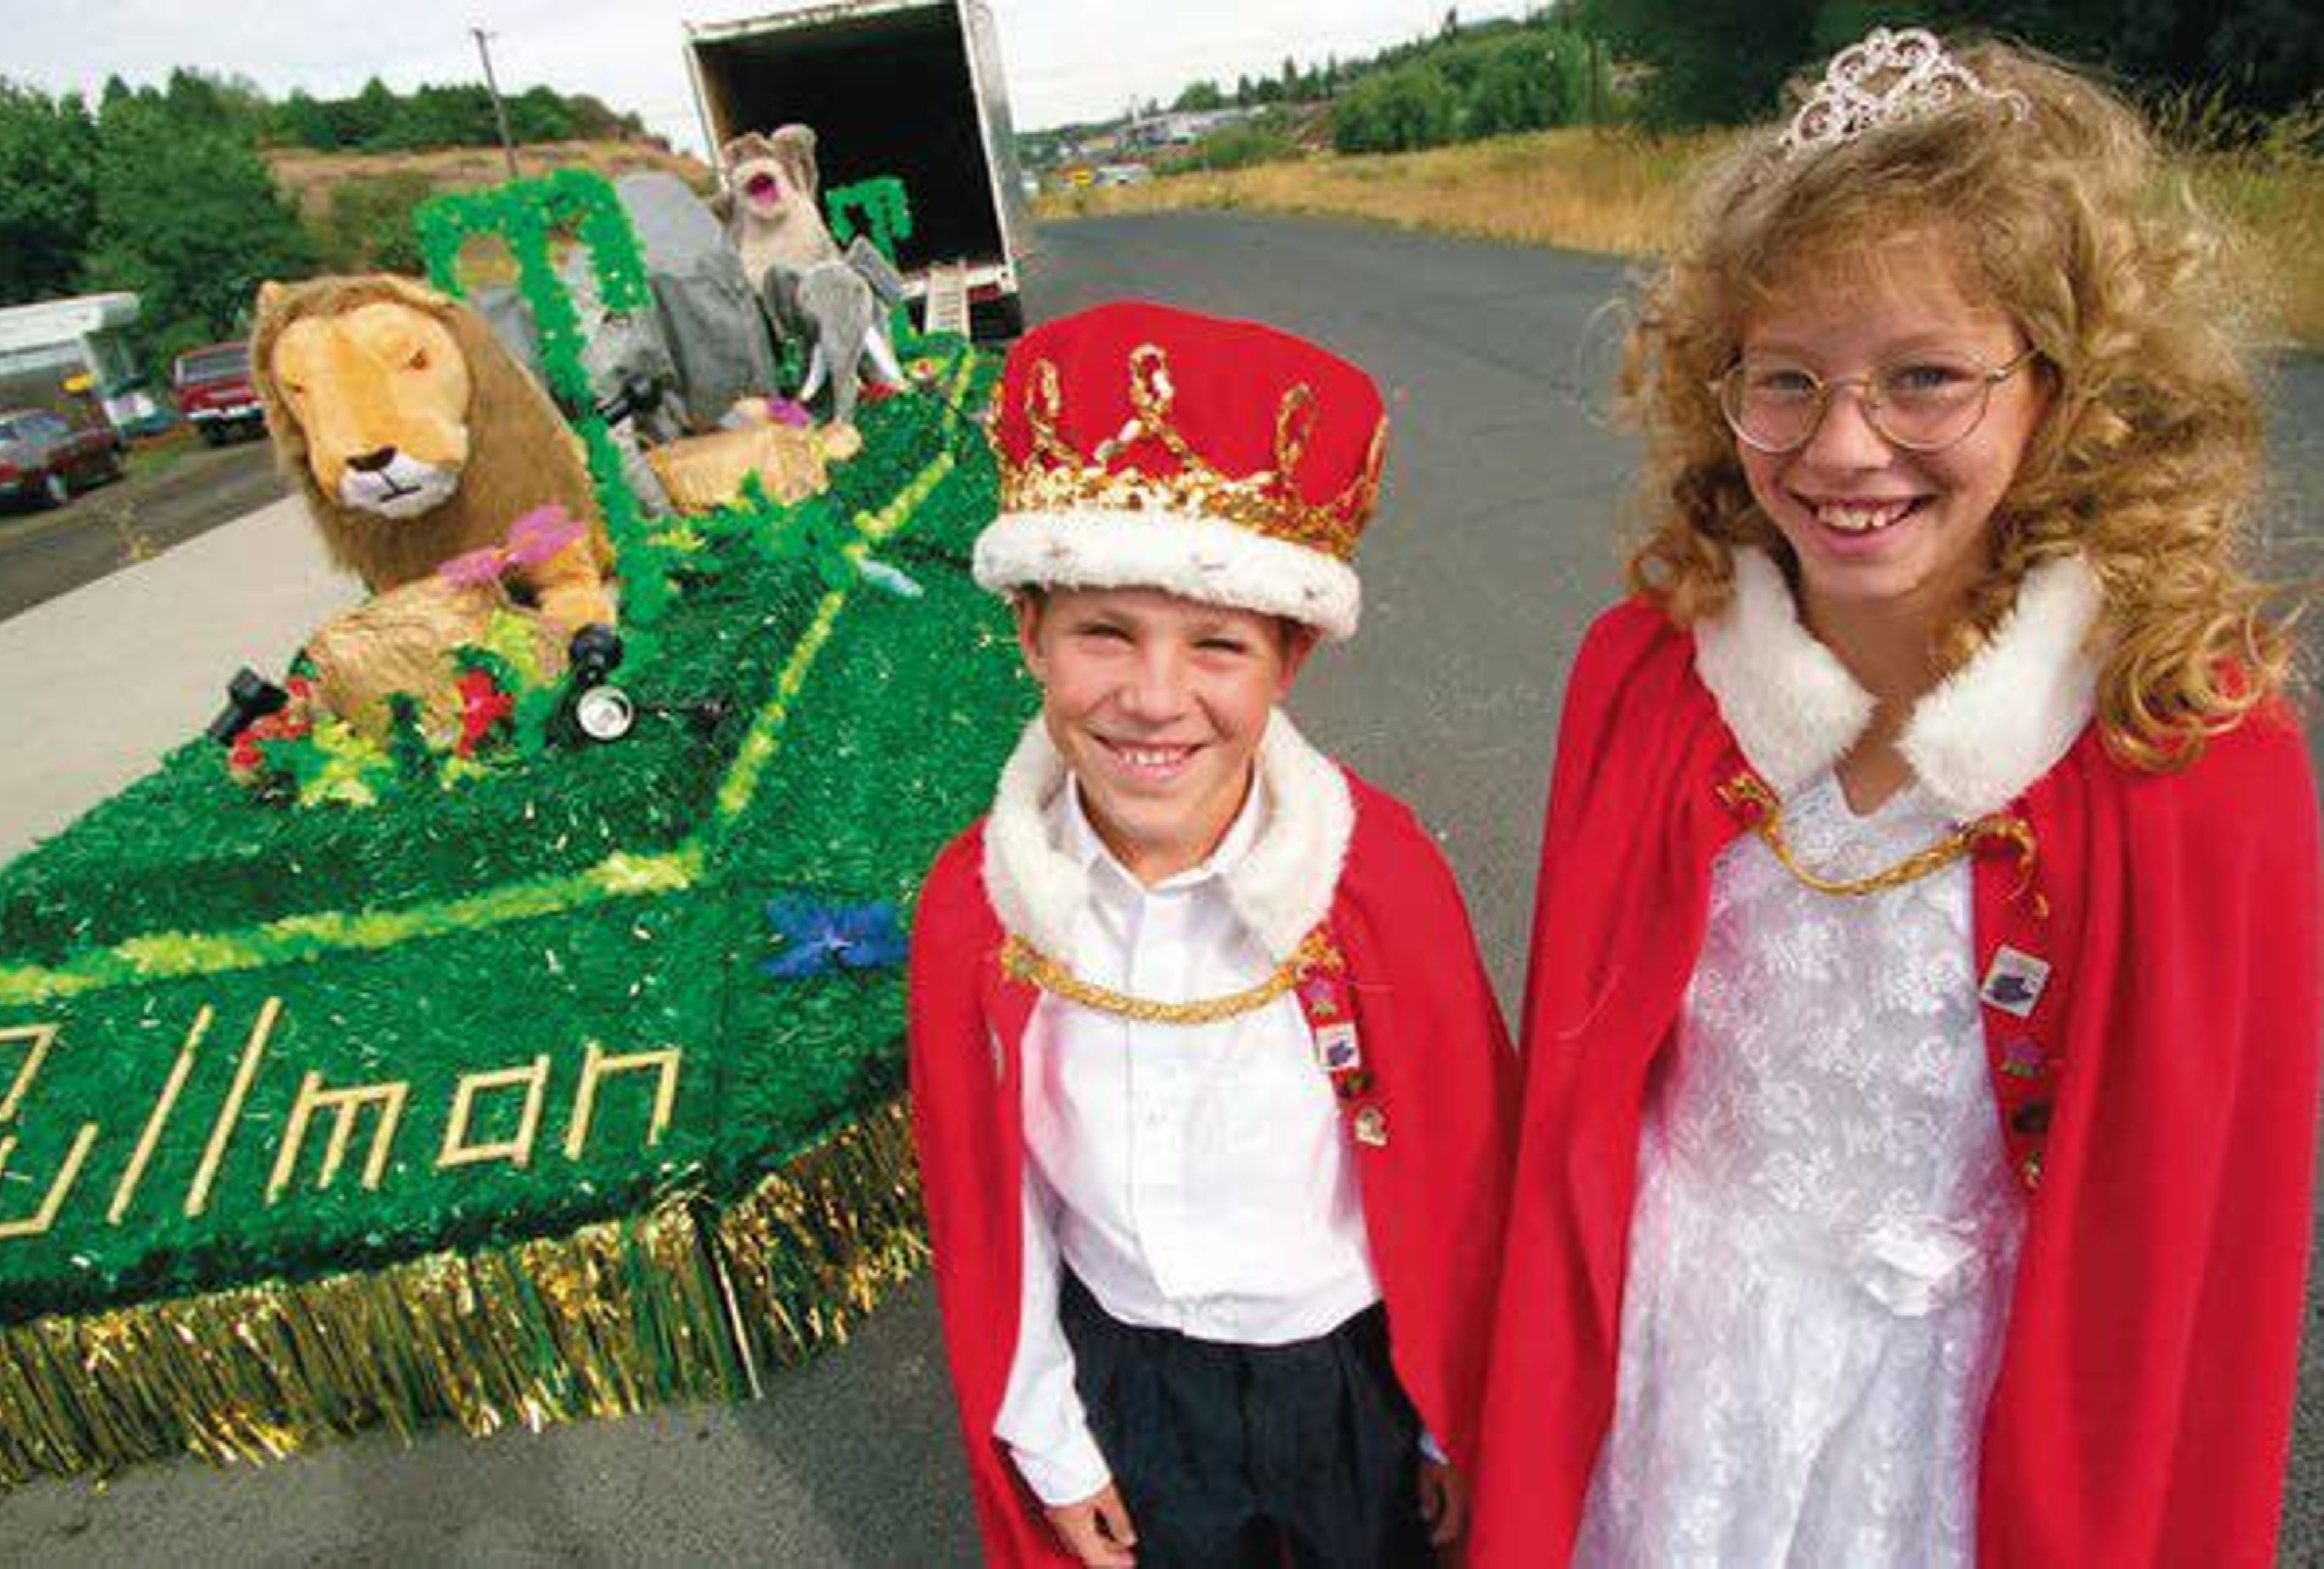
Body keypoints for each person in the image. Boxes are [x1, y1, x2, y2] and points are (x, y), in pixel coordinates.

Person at [1469, 28, 2320, 1569]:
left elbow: (2209, 1243)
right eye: (1784, 380)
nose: (1843, 446)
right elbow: (1577, 1106)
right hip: (1674, 1359)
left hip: (1955, 1419)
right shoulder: (1651, 679)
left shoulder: (2183, 749)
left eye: (1927, 377)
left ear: (2063, 387)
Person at [909, 301, 1515, 1568]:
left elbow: (1462, 1168)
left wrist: (1456, 1414)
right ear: (1028, 631)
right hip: (1130, 1379)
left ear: (1288, 656)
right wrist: (1050, 1432)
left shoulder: (1374, 876)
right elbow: (995, 1197)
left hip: (1353, 1373)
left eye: (1218, 645)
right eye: (1102, 631)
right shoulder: (982, 903)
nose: (1153, 695)